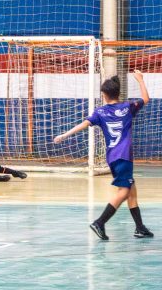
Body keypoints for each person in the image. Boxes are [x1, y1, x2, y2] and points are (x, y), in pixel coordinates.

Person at [54, 70, 153, 240]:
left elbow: (83, 125)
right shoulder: (127, 107)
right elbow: (146, 98)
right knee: (124, 191)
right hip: (124, 156)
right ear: (118, 93)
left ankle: (140, 227)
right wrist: (140, 80)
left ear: (104, 95)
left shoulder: (100, 112)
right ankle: (100, 222)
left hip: (113, 157)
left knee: (131, 190)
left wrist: (64, 135)